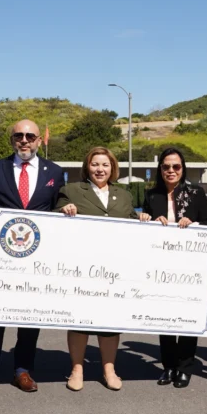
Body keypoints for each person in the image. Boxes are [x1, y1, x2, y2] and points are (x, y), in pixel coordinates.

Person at [0, 119, 65, 402]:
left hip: (37, 259)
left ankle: (23, 370)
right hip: (3, 257)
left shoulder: (54, 172)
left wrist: (67, 209)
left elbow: (58, 205)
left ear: (38, 140)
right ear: (12, 139)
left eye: (30, 136)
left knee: (29, 318)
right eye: (19, 135)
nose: (24, 140)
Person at [56, 146, 140, 392]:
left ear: (112, 168)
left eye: (105, 165)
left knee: (110, 320)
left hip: (115, 269)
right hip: (81, 267)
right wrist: (64, 210)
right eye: (95, 164)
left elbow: (132, 224)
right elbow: (52, 217)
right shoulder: (71, 190)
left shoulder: (123, 195)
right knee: (79, 318)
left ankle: (109, 368)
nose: (100, 169)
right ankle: (77, 368)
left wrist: (143, 220)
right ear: (87, 167)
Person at [139, 147, 207, 388]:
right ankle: (168, 366)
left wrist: (194, 222)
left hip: (190, 265)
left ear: (183, 168)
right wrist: (146, 219)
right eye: (166, 166)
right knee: (164, 319)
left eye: (176, 166)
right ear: (160, 169)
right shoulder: (152, 195)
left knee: (188, 316)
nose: (171, 171)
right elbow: (143, 226)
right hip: (160, 266)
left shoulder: (196, 193)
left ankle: (185, 367)